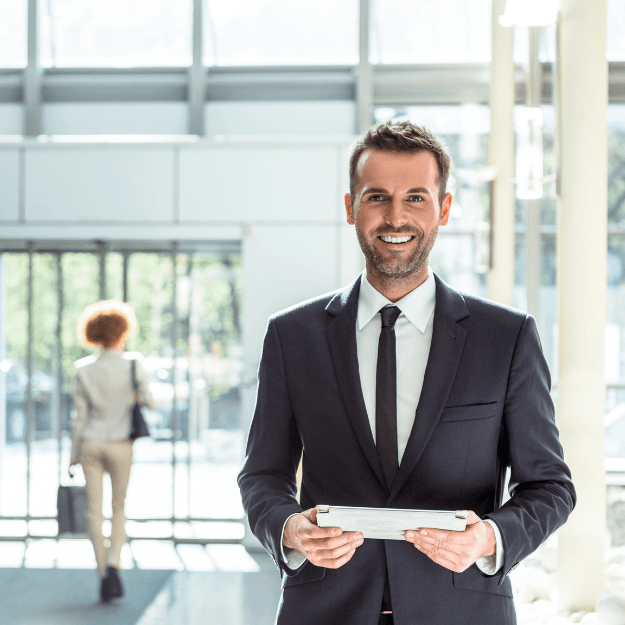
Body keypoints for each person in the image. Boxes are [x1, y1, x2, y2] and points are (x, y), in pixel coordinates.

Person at [238, 121, 576, 625]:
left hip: (460, 610)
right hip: (325, 608)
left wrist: (490, 537)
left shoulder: (505, 338)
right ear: (351, 207)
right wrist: (287, 528)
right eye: (377, 197)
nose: (396, 216)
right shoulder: (293, 336)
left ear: (443, 208)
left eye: (416, 197)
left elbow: (550, 486)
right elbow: (263, 474)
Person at [70, 300, 155, 602]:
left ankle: (102, 572)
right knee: (119, 506)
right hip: (121, 444)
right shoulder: (132, 364)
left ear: (91, 333)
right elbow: (151, 401)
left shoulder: (83, 369)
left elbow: (78, 418)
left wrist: (72, 456)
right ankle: (114, 561)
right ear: (122, 330)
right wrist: (135, 395)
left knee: (94, 510)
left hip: (91, 444)